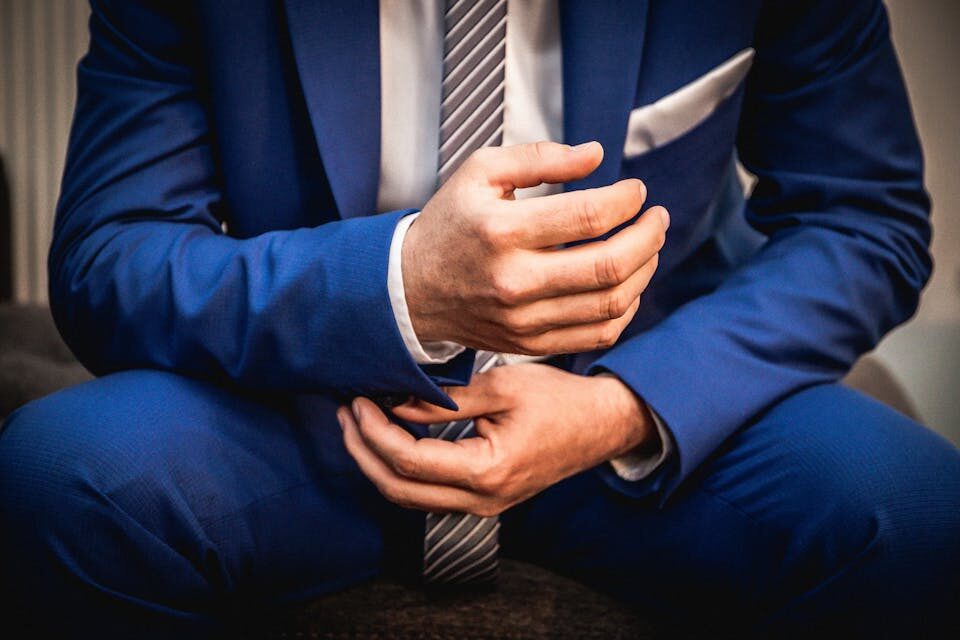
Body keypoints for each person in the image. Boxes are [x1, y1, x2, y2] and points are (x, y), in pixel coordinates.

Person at [1, 0, 958, 636]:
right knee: (57, 476)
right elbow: (107, 252)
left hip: (637, 427)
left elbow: (863, 215)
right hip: (297, 411)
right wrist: (400, 285)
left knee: (917, 513)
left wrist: (627, 408)